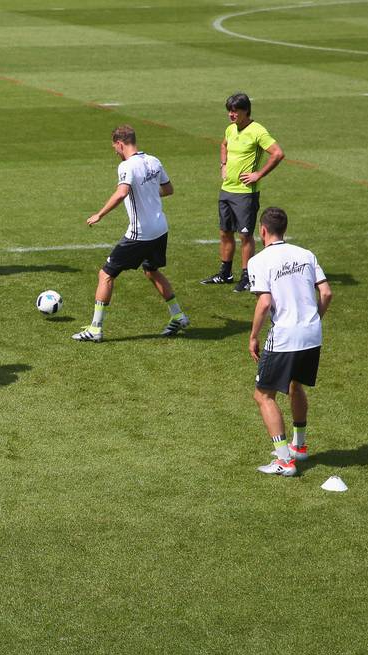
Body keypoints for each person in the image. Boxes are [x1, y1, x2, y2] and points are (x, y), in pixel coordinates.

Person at [72, 126, 189, 343]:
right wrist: (149, 195)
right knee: (151, 271)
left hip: (141, 233)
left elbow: (122, 192)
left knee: (105, 274)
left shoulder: (126, 166)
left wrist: (100, 214)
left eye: (114, 147)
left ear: (120, 143)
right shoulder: (154, 160)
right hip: (160, 229)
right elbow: (168, 189)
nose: (115, 151)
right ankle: (178, 315)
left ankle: (95, 328)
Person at [250, 208, 331, 477]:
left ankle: (284, 460)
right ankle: (300, 446)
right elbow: (327, 293)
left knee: (263, 395)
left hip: (285, 336)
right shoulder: (305, 254)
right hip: (312, 334)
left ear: (262, 230)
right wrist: (313, 319)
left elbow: (264, 302)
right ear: (284, 228)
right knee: (296, 385)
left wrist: (252, 336)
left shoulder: (259, 261)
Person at [201, 92, 285, 292]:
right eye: (229, 111)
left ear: (245, 110)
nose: (231, 114)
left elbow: (278, 153)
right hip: (227, 190)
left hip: (245, 193)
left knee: (244, 235)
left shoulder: (257, 131)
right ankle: (225, 273)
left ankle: (247, 277)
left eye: (235, 111)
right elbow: (224, 145)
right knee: (225, 233)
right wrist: (223, 164)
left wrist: (259, 174)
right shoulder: (231, 129)